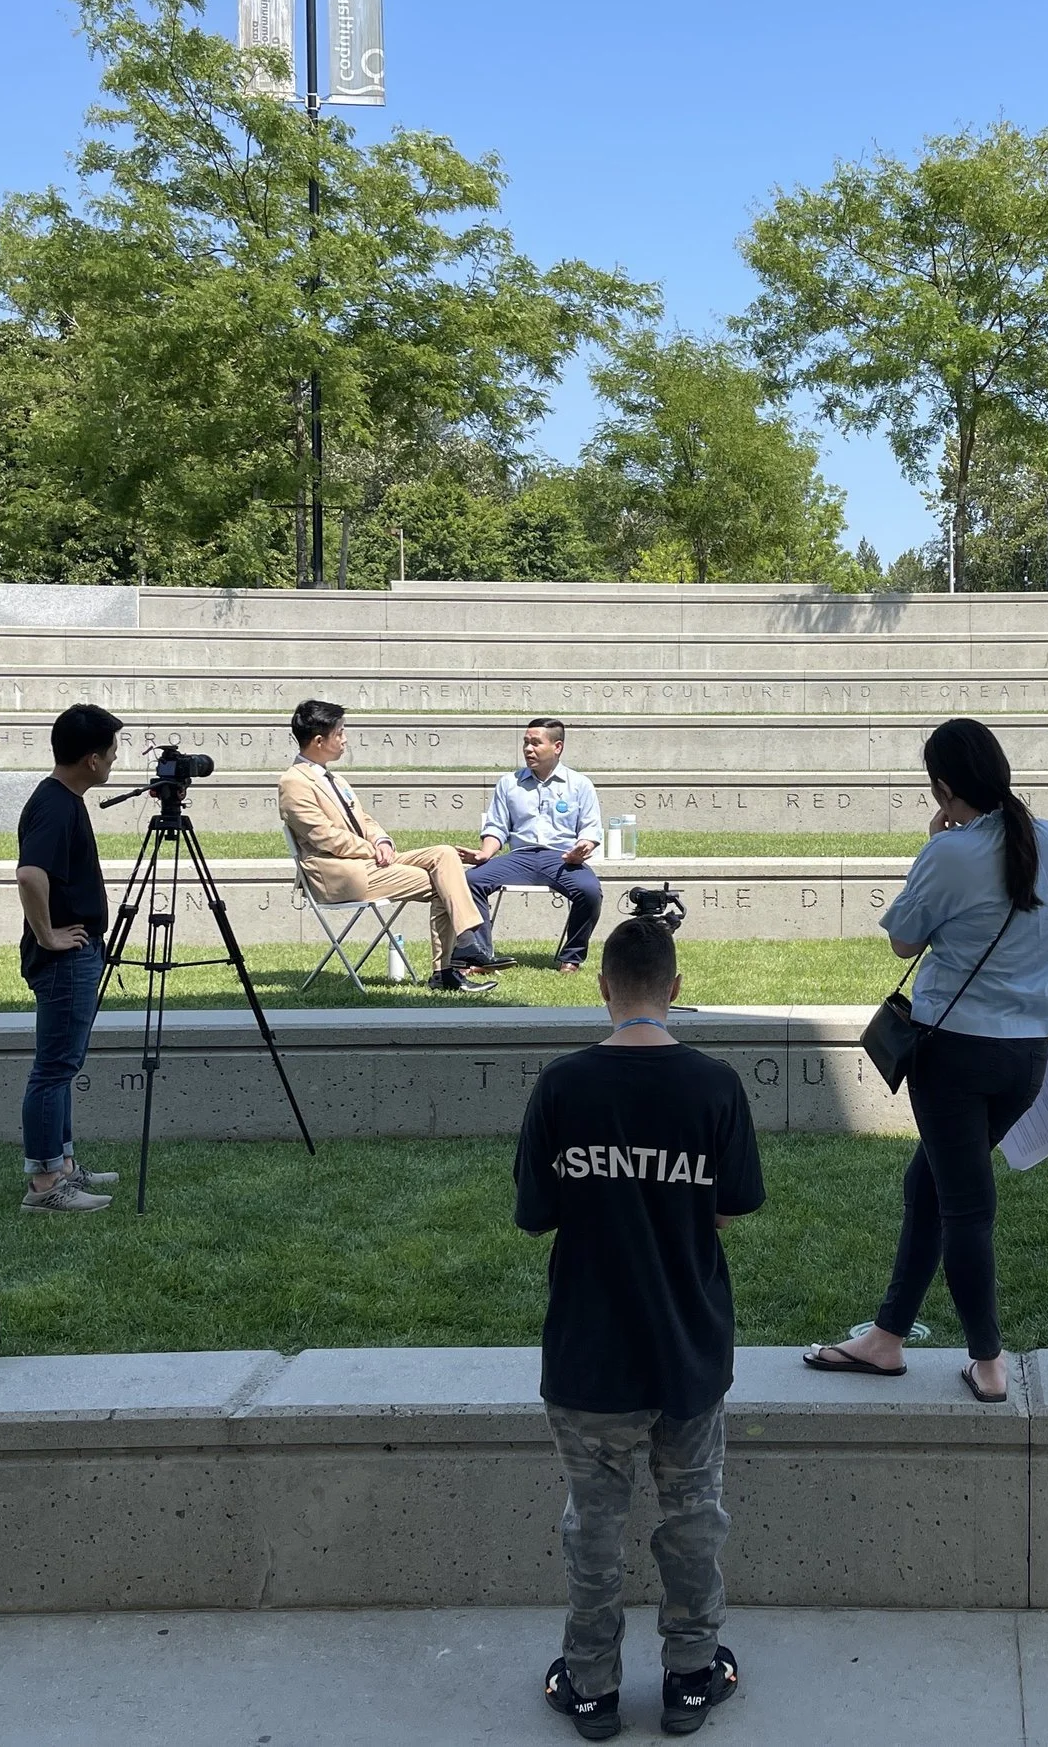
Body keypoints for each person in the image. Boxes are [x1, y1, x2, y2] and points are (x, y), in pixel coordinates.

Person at [517, 914, 762, 1740]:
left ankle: (590, 1685)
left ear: (603, 989)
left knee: (594, 1523)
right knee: (693, 1517)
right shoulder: (716, 1085)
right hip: (688, 1352)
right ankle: (692, 1674)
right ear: (677, 990)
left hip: (588, 1357)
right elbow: (729, 1207)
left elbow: (536, 1214)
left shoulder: (561, 1085)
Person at [802, 717, 1048, 1405]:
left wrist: (933, 846)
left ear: (945, 787)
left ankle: (987, 1359)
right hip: (1026, 1059)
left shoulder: (949, 853)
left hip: (952, 1055)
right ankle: (887, 1335)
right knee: (927, 1185)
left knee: (964, 1207)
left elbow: (902, 943)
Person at [279, 699, 498, 993]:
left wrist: (381, 840)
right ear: (320, 740)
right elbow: (324, 836)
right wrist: (371, 850)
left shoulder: (334, 777)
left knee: (445, 854)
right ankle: (449, 967)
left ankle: (466, 940)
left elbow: (364, 819)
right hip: (342, 875)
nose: (345, 739)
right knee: (442, 882)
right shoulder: (294, 782)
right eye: (340, 732)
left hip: (369, 863)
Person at [13, 703, 126, 1213]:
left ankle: (61, 1165)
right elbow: (29, 875)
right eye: (112, 752)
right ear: (92, 759)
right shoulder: (56, 805)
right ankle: (44, 1184)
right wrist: (49, 936)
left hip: (74, 954)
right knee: (54, 1069)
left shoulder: (63, 797)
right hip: (66, 959)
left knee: (62, 1065)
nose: (115, 761)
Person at [454, 718, 605, 975]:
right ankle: (481, 957)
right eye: (526, 742)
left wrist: (582, 848)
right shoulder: (509, 783)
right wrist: (484, 853)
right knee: (471, 881)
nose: (528, 749)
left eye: (536, 743)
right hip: (520, 857)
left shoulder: (580, 785)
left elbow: (590, 829)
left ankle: (572, 958)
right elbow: (497, 828)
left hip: (562, 858)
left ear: (557, 747)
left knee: (590, 892)